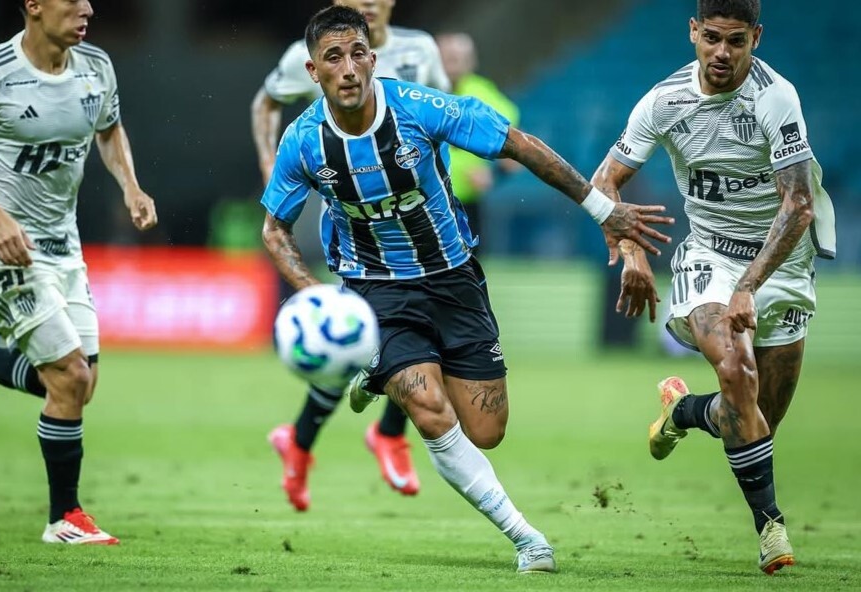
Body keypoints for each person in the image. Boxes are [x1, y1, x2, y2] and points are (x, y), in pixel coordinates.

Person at [261, 5, 672, 572]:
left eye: (358, 54)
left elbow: (519, 145)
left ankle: (375, 374)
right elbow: (274, 230)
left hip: (454, 279)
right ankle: (528, 538)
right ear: (314, 71)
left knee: (487, 430)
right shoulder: (303, 142)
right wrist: (316, 293)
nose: (349, 68)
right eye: (334, 58)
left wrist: (603, 210)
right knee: (430, 410)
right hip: (375, 290)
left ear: (373, 59)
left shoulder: (420, 108)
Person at [592, 0, 835, 575]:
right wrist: (630, 251)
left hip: (782, 262)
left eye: (736, 41)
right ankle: (771, 528)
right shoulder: (664, 100)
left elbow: (798, 204)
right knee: (736, 371)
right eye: (712, 39)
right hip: (710, 256)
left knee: (752, 420)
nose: (722, 53)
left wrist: (751, 286)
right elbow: (605, 182)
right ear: (693, 32)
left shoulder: (776, 98)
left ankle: (681, 413)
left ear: (756, 37)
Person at [251, 0, 450, 512]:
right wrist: (272, 166)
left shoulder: (419, 49)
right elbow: (265, 104)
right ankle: (384, 435)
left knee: (401, 337)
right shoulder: (310, 53)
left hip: (422, 220)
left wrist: (436, 190)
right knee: (383, 337)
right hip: (360, 227)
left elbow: (440, 121)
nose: (367, 2)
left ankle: (301, 442)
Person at [0, 0, 158, 543]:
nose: (88, 9)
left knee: (81, 385)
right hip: (5, 251)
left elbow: (110, 129)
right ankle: (64, 518)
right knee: (70, 377)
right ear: (34, 6)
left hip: (65, 248)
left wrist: (131, 185)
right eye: (73, 0)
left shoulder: (96, 66)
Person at [435, 32, 519, 251]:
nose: (451, 64)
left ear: (471, 61)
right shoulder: (419, 89)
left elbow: (516, 152)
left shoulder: (482, 97)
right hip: (422, 200)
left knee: (467, 270)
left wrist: (494, 175)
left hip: (465, 203)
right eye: (447, 56)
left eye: (458, 57)